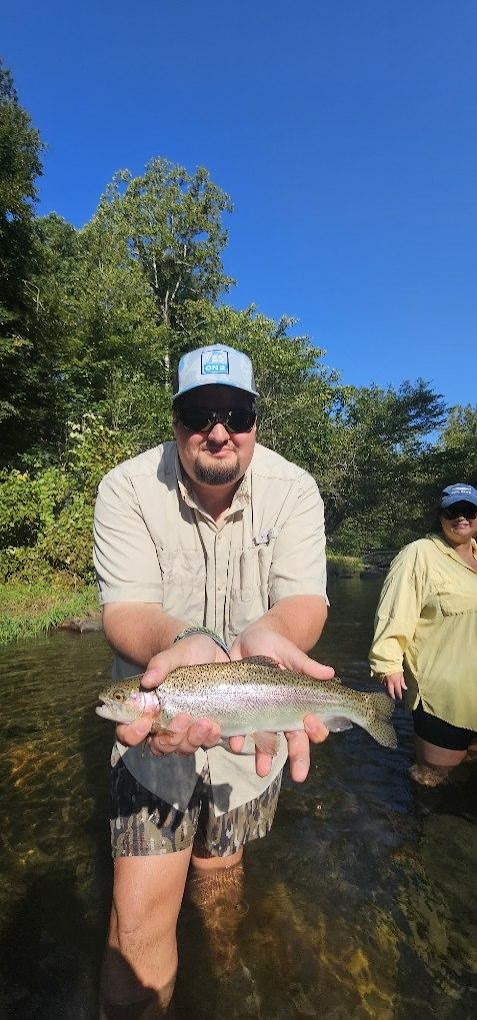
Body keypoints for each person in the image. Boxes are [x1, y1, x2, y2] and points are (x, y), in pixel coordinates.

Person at [93, 343, 333, 1018]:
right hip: (152, 744)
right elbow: (124, 610)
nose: (218, 430)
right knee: (135, 930)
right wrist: (182, 642)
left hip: (252, 737)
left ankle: (223, 981)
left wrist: (272, 633)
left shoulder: (295, 490)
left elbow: (306, 601)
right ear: (175, 421)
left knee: (219, 870)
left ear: (255, 420)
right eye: (199, 413)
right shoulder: (126, 488)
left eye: (236, 414)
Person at [369, 483, 477, 788]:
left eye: (469, 510)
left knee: (465, 781)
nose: (461, 517)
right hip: (442, 698)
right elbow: (394, 611)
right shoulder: (419, 554)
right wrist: (388, 664)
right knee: (431, 781)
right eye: (452, 511)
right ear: (440, 515)